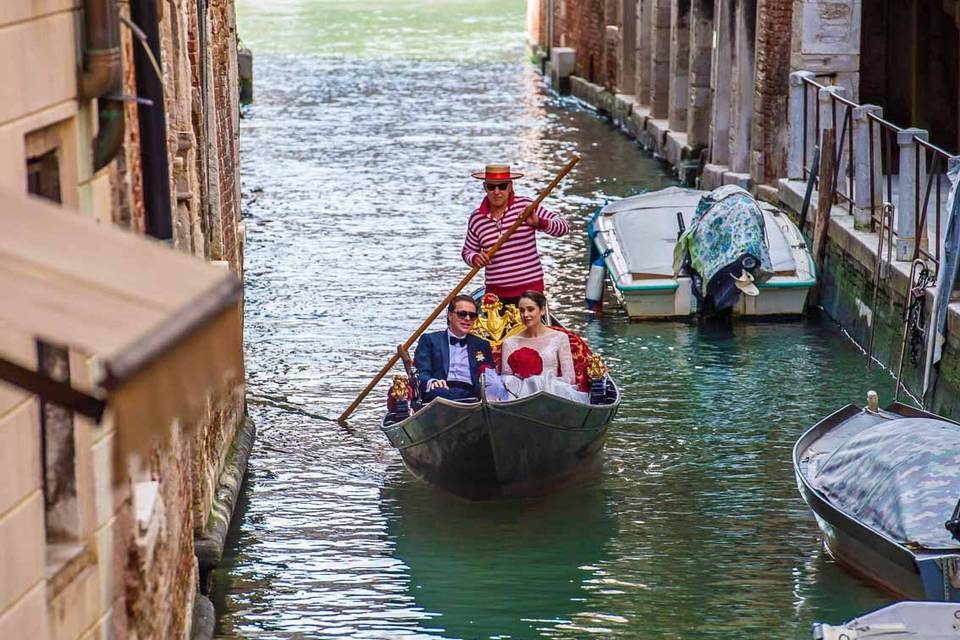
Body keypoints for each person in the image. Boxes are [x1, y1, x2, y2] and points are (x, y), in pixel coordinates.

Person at [461, 164, 569, 307]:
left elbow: (563, 227)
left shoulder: (526, 206)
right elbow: (467, 251)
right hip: (496, 296)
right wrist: (475, 258)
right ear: (485, 188)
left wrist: (538, 222)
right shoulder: (477, 218)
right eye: (492, 187)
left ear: (510, 186)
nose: (497, 192)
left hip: (530, 292)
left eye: (502, 186)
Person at [499, 291, 588, 403]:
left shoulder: (560, 337)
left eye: (530, 309)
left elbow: (569, 379)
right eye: (522, 311)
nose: (525, 315)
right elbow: (507, 380)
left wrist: (541, 383)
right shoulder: (510, 342)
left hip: (555, 393)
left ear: (542, 310)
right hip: (521, 397)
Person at [414, 294, 495, 403]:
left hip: (473, 393)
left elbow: (490, 375)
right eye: (462, 314)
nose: (467, 319)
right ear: (450, 316)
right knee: (440, 393)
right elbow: (422, 373)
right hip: (441, 391)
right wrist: (432, 382)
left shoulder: (482, 344)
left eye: (472, 315)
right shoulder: (430, 340)